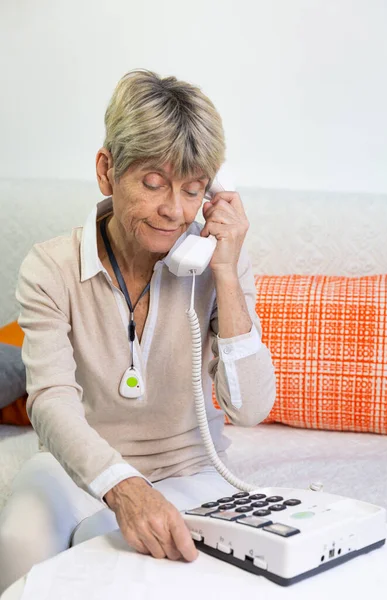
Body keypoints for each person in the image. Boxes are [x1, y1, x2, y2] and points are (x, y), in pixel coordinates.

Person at [0, 69, 276, 594]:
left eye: (194, 190)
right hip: (76, 466)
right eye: (153, 183)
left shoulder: (217, 264)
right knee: (19, 542)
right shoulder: (49, 267)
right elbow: (50, 400)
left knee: (123, 554)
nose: (174, 209)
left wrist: (225, 272)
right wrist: (123, 486)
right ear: (107, 171)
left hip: (190, 468)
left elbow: (252, 408)